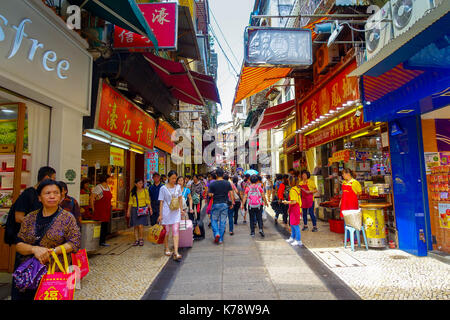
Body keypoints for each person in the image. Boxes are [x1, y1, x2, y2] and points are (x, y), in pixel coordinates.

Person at [12, 179, 80, 300]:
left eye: (56, 193)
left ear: (61, 196)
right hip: (28, 275)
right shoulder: (29, 218)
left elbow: (74, 243)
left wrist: (52, 251)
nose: (52, 196)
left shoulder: (67, 218)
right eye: (47, 193)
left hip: (54, 274)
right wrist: (34, 249)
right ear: (39, 198)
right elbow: (18, 244)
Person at [4, 166, 56, 246]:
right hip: (25, 240)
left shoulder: (45, 196)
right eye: (53, 179)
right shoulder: (28, 194)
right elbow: (18, 217)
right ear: (46, 178)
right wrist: (39, 223)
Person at [158, 170, 185, 261]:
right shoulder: (163, 188)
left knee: (175, 230)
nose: (174, 180)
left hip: (176, 212)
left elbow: (180, 199)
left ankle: (176, 252)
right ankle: (166, 248)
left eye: (175, 178)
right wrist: (160, 214)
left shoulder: (178, 187)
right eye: (172, 178)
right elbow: (161, 202)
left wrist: (181, 210)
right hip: (166, 212)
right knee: (166, 231)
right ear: (168, 177)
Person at [208, 168, 234, 244]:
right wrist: (232, 203)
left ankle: (216, 233)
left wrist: (213, 194)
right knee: (223, 221)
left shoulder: (212, 184)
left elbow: (209, 194)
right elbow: (231, 193)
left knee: (214, 220)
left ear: (216, 175)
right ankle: (220, 239)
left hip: (216, 204)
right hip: (225, 204)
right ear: (223, 175)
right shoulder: (227, 183)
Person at [127, 178, 152, 246]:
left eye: (142, 183)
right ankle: (136, 239)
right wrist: (128, 211)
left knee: (141, 225)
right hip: (135, 209)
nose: (141, 184)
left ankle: (141, 239)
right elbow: (130, 202)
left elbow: (147, 200)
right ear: (136, 184)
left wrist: (150, 208)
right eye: (140, 183)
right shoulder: (133, 192)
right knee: (135, 226)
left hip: (142, 209)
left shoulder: (145, 191)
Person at [91, 174, 113, 246]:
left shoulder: (108, 187)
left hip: (106, 210)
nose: (110, 180)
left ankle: (102, 241)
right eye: (109, 178)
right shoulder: (98, 187)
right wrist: (93, 208)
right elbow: (92, 198)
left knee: (105, 226)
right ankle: (97, 242)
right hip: (99, 210)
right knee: (99, 226)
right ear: (105, 179)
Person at [283, 178, 303, 246]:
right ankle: (292, 237)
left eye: (289, 180)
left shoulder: (292, 190)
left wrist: (286, 202)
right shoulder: (297, 189)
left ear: (292, 182)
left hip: (295, 208)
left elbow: (294, 201)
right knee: (292, 224)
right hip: (295, 208)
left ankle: (298, 240)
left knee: (295, 225)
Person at [191, 174, 205, 240]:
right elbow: (191, 190)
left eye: (194, 177)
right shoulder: (192, 184)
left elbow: (201, 192)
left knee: (198, 210)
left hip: (198, 199)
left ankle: (198, 221)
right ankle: (194, 219)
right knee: (192, 209)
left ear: (197, 178)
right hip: (192, 199)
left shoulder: (200, 184)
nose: (193, 178)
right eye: (193, 177)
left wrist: (199, 197)